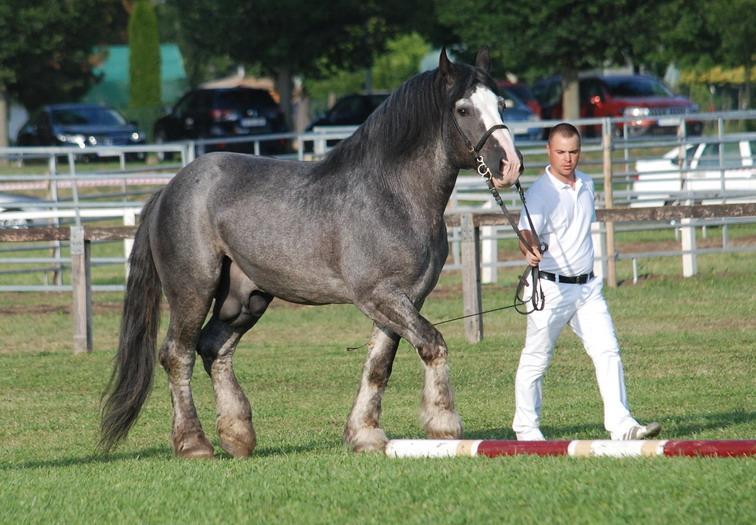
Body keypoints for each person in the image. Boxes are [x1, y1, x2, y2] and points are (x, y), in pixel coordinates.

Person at [512, 122, 661, 441]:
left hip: (588, 290)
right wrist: (530, 249)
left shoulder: (587, 185)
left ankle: (622, 426)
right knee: (536, 358)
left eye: (574, 151)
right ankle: (526, 429)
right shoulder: (539, 193)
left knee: (608, 350)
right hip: (549, 288)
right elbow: (526, 232)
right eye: (561, 152)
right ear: (549, 152)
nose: (568, 158)